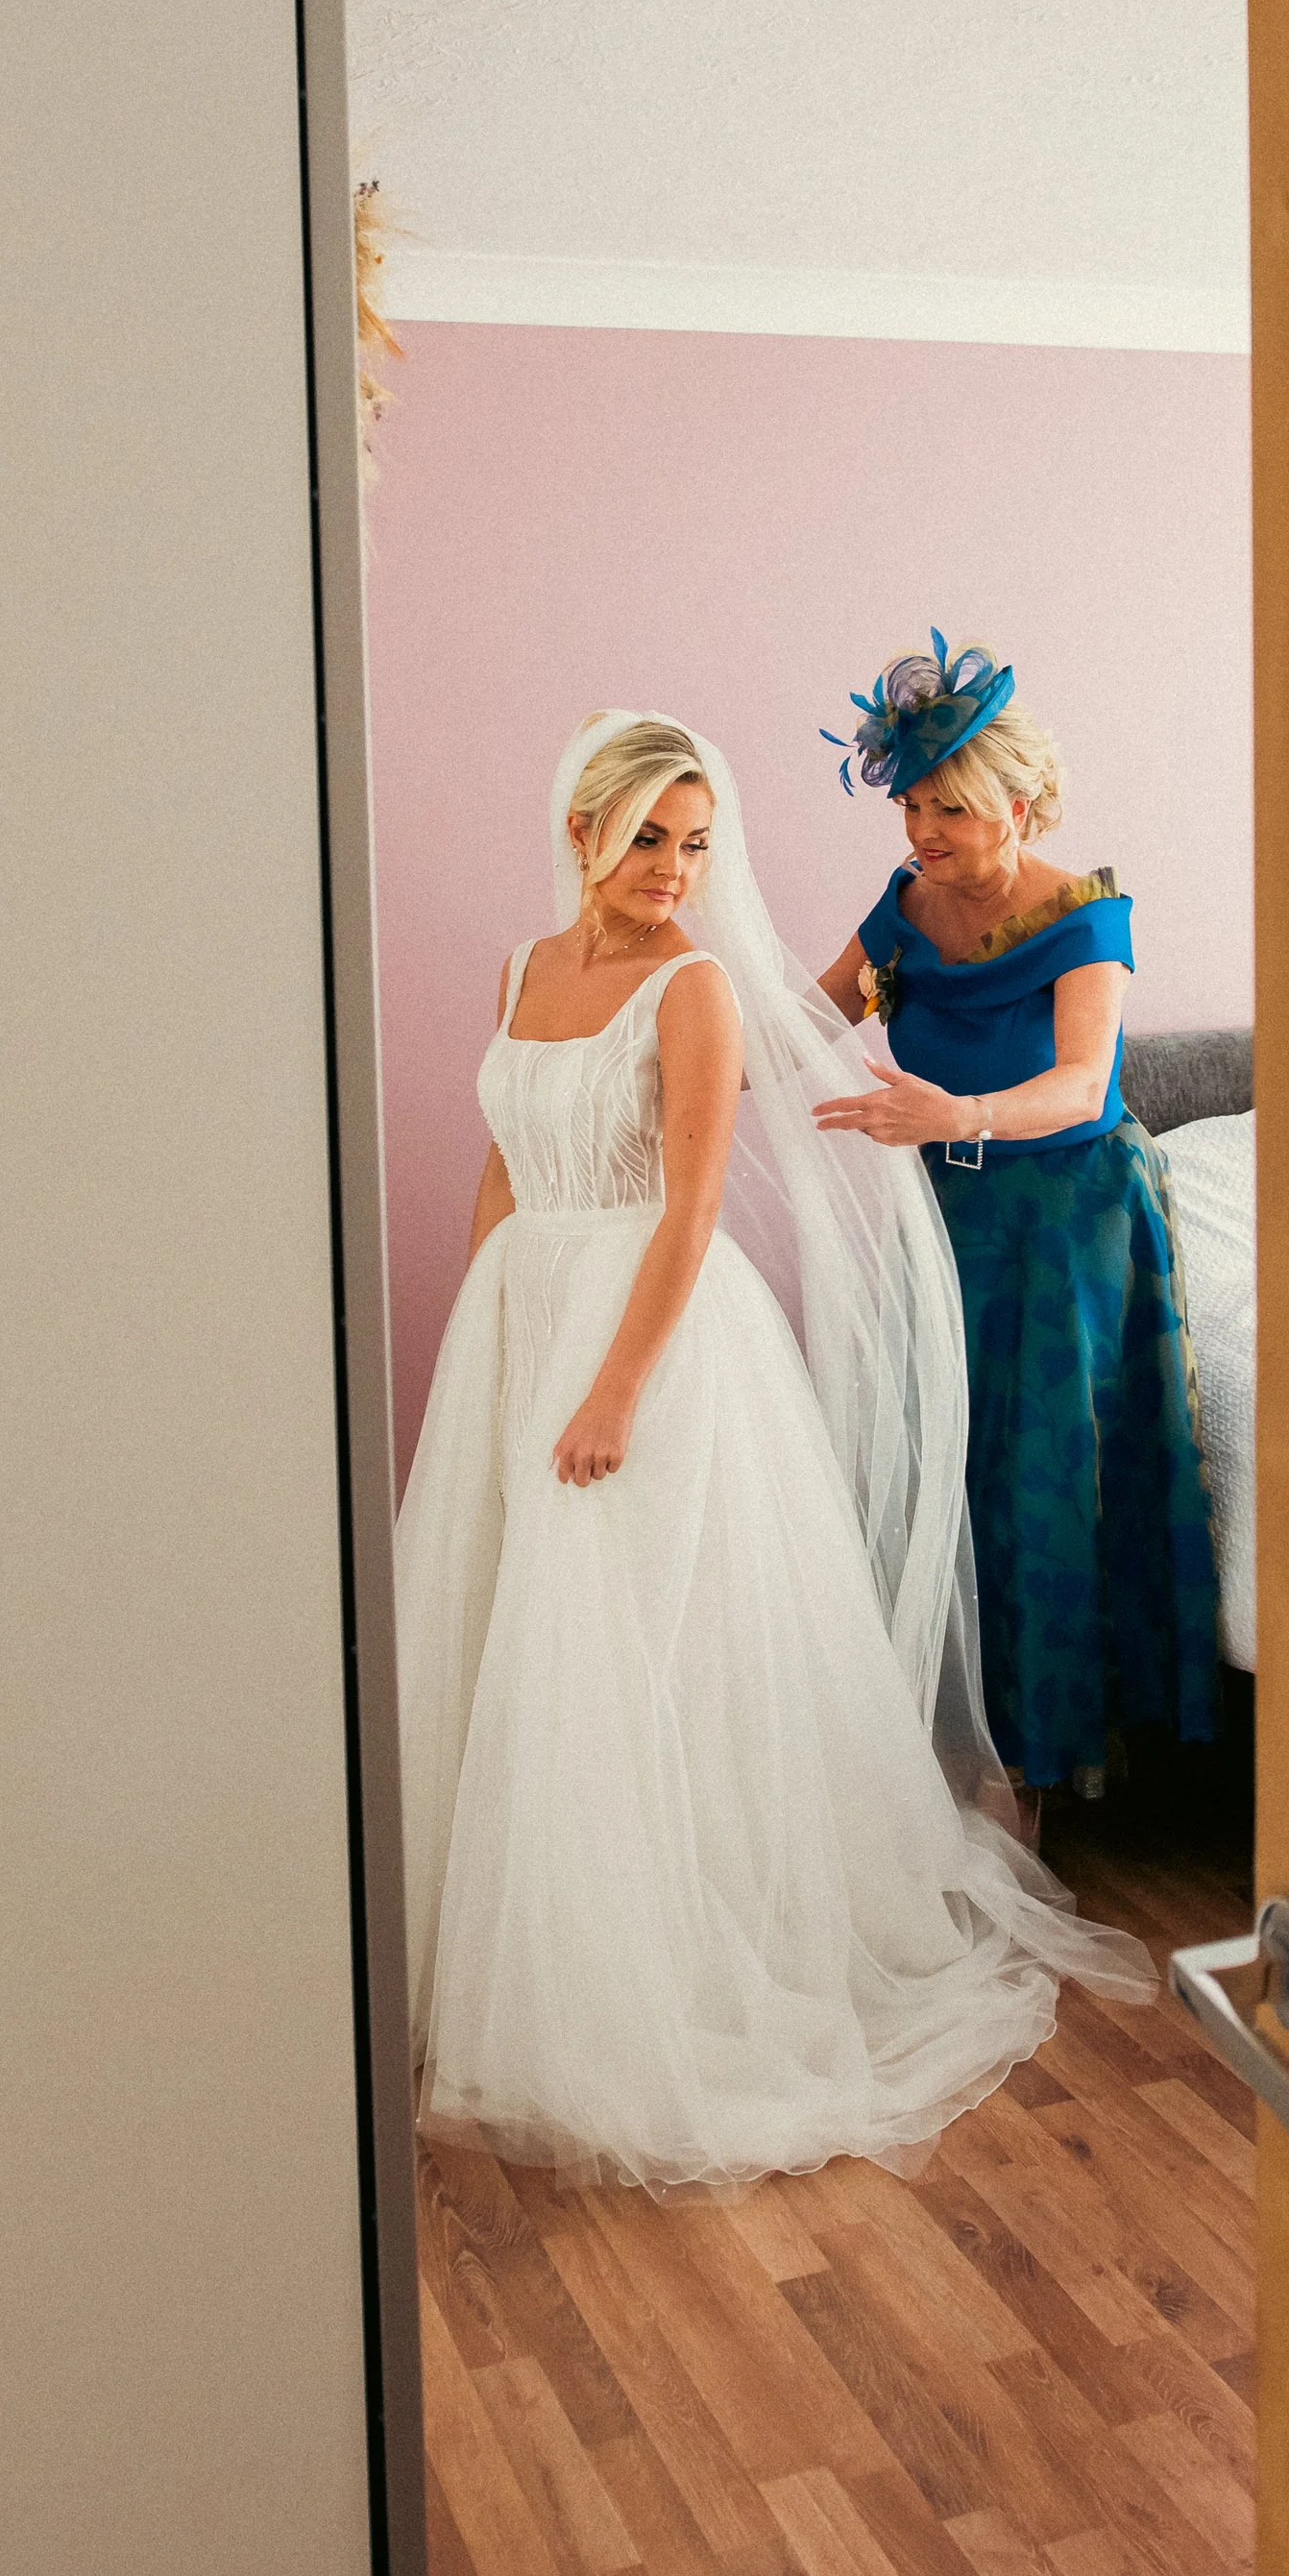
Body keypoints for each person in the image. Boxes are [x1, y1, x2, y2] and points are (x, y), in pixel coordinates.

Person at [394, 709, 1155, 2197]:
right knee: (502, 1638)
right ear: (582, 833)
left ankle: (642, 1982)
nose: (677, 868)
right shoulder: (523, 971)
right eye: (650, 838)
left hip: (649, 1335)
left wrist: (613, 1388)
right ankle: (497, 1948)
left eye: (698, 842)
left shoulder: (695, 990)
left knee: (621, 1654)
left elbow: (684, 1211)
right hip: (524, 1311)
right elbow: (502, 1163)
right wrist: (474, 1349)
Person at [814, 637, 1220, 1825]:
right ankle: (951, 1744)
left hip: (1068, 1217)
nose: (920, 830)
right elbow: (809, 1013)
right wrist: (682, 1056)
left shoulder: (1087, 918)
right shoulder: (902, 908)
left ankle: (1036, 1771)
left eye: (950, 807)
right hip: (948, 1218)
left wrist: (958, 1112)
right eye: (910, 803)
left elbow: (1085, 1081)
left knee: (1041, 1474)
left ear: (1023, 803)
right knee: (942, 1453)